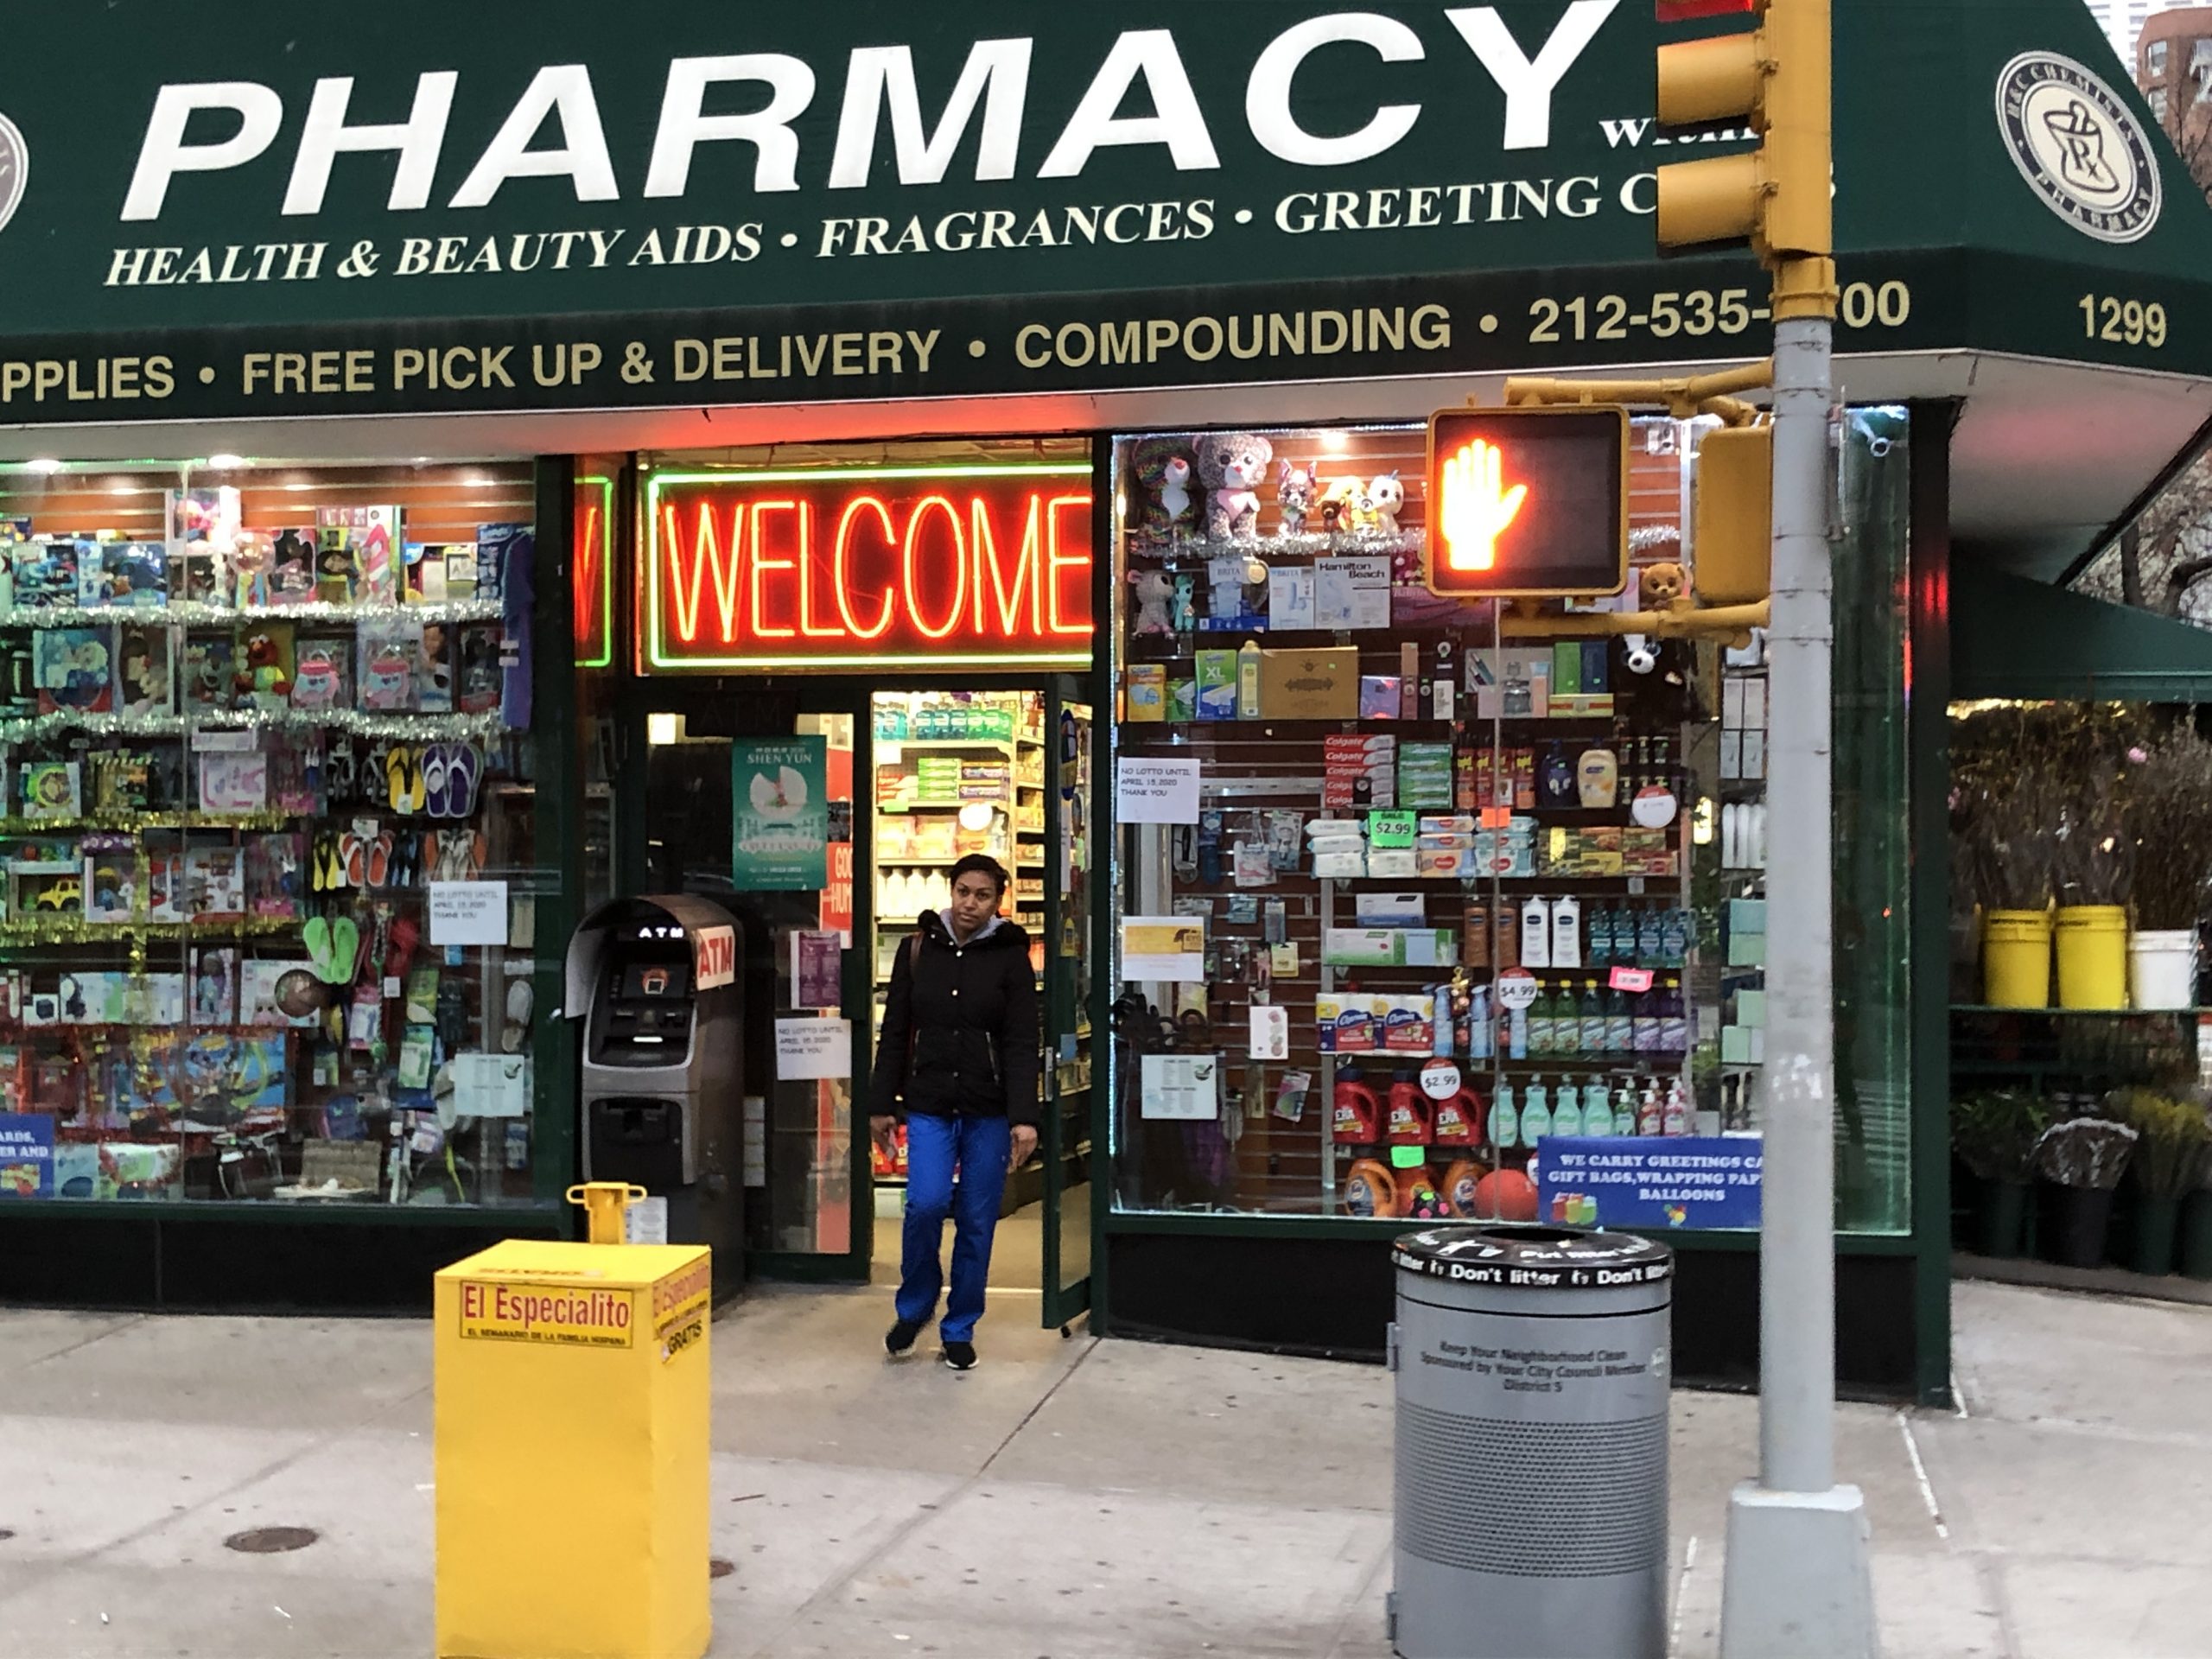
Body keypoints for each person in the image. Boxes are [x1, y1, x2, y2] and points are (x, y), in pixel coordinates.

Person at [870, 853, 1039, 1370]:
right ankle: (914, 1308)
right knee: (924, 1204)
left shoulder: (1012, 956)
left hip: (988, 1110)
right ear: (951, 891)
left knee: (976, 1219)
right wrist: (881, 1104)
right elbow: (896, 1027)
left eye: (982, 895)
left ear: (998, 901)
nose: (970, 904)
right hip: (930, 1103)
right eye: (963, 892)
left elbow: (1020, 1040)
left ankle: (960, 1326)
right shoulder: (918, 949)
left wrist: (1023, 1116)